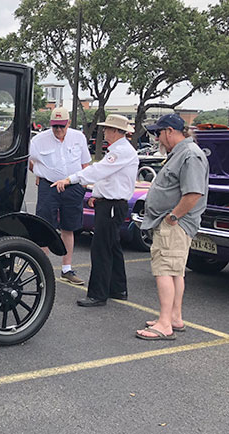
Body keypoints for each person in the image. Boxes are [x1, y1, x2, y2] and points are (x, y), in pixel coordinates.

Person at [51, 114, 139, 306]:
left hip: (112, 205)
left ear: (115, 131)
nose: (104, 132)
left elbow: (98, 171)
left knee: (101, 249)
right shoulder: (120, 150)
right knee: (112, 246)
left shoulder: (120, 151)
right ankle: (117, 288)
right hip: (110, 203)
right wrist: (97, 194)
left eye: (107, 128)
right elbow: (108, 177)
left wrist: (70, 179)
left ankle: (98, 294)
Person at [136, 114, 208, 340]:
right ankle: (174, 317)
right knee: (175, 271)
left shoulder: (190, 155)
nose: (157, 138)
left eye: (158, 133)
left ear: (169, 131)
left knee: (164, 270)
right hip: (173, 223)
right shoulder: (182, 153)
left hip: (175, 224)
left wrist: (173, 217)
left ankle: (164, 324)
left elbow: (193, 193)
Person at [29, 107, 91, 285]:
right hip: (49, 186)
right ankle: (42, 269)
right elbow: (29, 160)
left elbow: (85, 163)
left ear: (68, 123)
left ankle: (67, 269)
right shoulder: (39, 140)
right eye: (55, 126)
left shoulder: (78, 137)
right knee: (44, 226)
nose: (58, 130)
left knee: (69, 227)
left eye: (61, 126)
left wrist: (83, 185)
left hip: (72, 186)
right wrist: (39, 172)